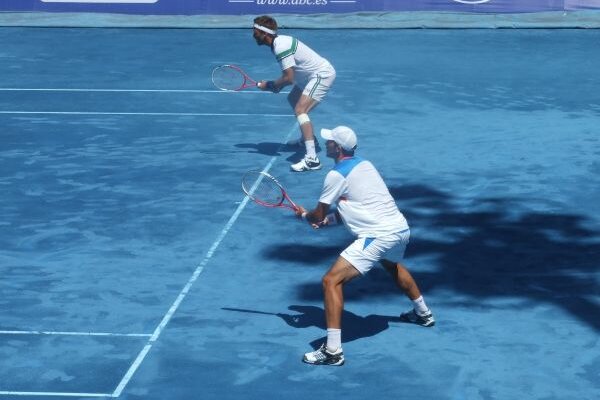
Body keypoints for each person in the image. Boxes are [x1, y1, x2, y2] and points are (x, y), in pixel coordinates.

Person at [294, 126, 435, 366]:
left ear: (337, 147)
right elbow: (356, 205)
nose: (326, 143)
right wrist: (328, 221)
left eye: (329, 141)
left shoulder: (336, 175)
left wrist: (306, 215)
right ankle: (423, 313)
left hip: (379, 235)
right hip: (400, 229)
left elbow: (317, 214)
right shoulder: (365, 165)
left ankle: (333, 351)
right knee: (391, 265)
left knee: (331, 281)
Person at [252, 15, 336, 172]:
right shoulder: (278, 43)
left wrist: (270, 85)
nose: (253, 35)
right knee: (293, 99)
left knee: (300, 110)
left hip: (321, 75)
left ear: (265, 33)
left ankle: (312, 159)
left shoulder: (280, 47)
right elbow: (288, 77)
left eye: (255, 31)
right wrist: (275, 86)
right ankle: (307, 139)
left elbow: (289, 79)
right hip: (307, 77)